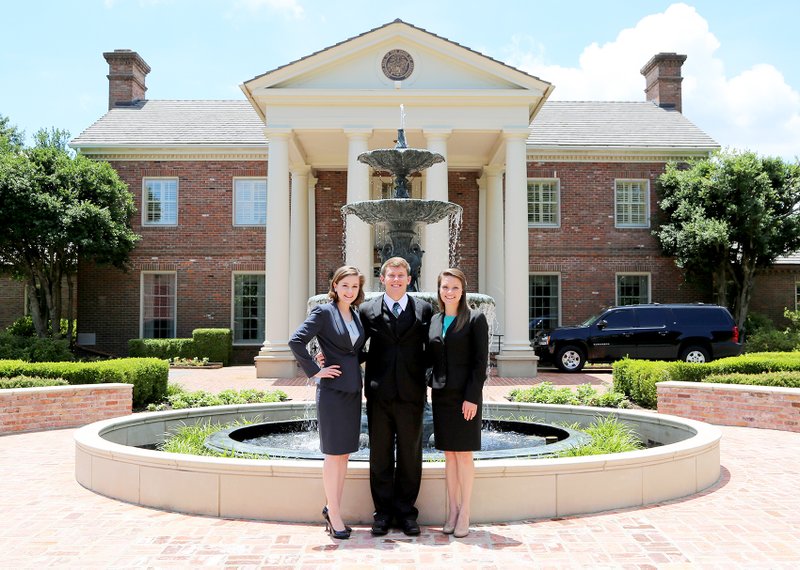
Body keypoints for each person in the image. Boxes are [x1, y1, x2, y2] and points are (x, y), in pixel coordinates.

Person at [288, 265, 366, 540]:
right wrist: (315, 369)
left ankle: (332, 507)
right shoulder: (323, 312)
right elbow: (296, 340)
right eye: (345, 285)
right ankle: (334, 514)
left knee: (344, 454)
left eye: (354, 286)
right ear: (335, 286)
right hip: (332, 392)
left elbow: (354, 353)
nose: (349, 290)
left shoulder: (355, 315)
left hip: (354, 390)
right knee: (333, 454)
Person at [359, 256, 433, 536]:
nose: (396, 280)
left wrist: (426, 376)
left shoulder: (424, 309)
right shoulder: (367, 310)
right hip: (379, 394)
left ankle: (406, 513)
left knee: (410, 455)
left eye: (401, 276)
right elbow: (355, 346)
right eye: (391, 276)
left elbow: (432, 347)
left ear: (409, 280)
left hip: (413, 395)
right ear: (383, 278)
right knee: (379, 455)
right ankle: (382, 513)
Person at [426, 268, 489, 538]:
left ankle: (465, 512)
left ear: (462, 290)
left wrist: (472, 398)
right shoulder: (435, 320)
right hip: (441, 397)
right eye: (444, 287)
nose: (449, 292)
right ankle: (451, 510)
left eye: (454, 287)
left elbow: (480, 364)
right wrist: (430, 378)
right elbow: (428, 356)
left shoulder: (475, 319)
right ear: (438, 290)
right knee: (448, 456)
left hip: (466, 398)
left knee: (463, 455)